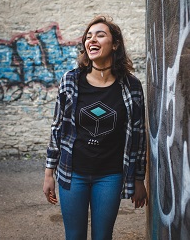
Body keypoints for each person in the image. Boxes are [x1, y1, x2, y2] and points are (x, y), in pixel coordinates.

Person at [43, 15, 147, 240]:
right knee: (75, 236)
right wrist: (48, 173)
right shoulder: (70, 81)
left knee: (103, 236)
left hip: (110, 176)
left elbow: (138, 136)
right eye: (88, 36)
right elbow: (57, 129)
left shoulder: (132, 86)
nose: (92, 40)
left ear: (115, 44)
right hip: (73, 174)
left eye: (100, 35)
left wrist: (139, 179)